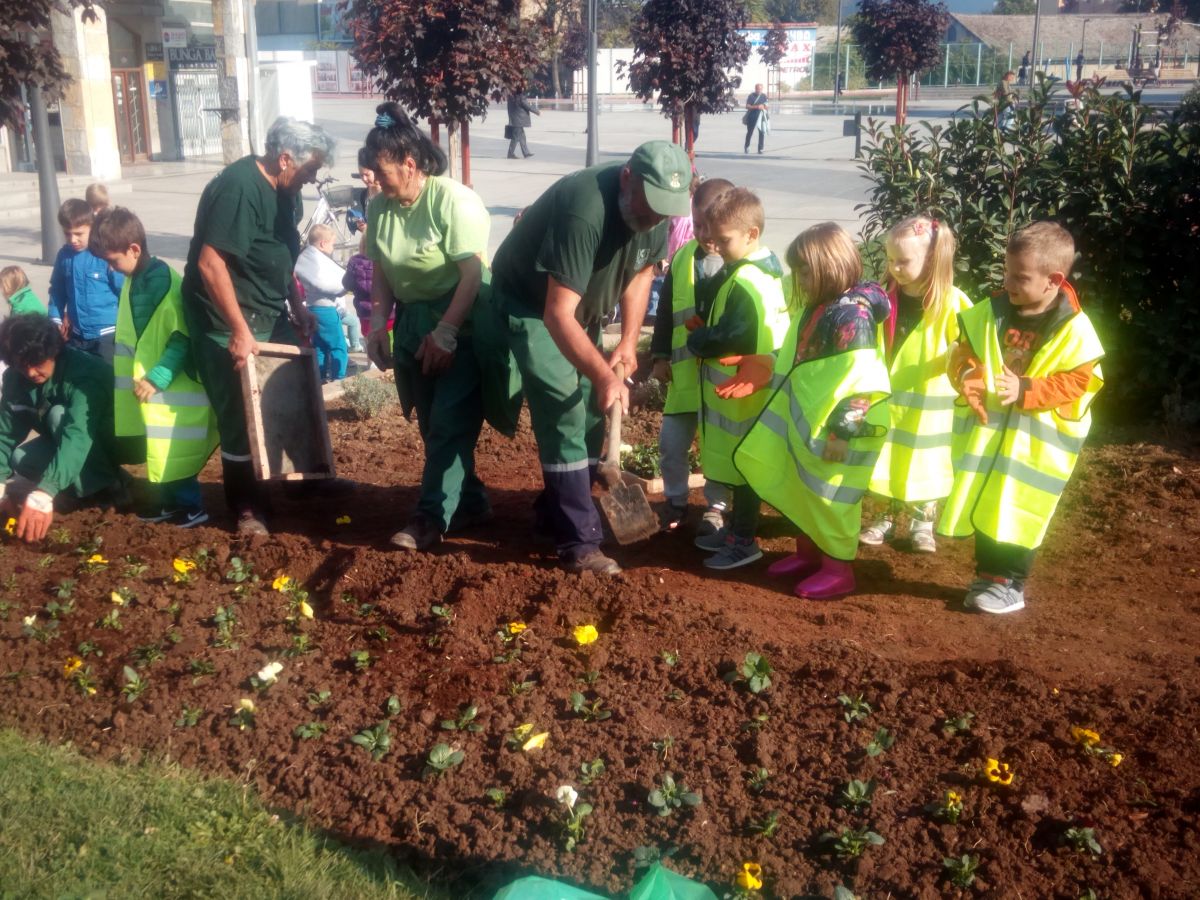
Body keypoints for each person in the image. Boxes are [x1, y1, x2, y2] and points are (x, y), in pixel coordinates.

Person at [490, 140, 693, 575]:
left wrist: (627, 342)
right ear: (627, 178)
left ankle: (556, 510)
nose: (655, 217)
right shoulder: (585, 210)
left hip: (580, 308)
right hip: (532, 305)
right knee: (564, 402)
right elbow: (557, 313)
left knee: (592, 413)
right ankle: (579, 542)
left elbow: (641, 273)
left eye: (665, 210)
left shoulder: (655, 209)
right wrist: (604, 376)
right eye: (650, 204)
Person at [181, 115, 335, 536]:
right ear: (285, 159)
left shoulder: (286, 191)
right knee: (239, 413)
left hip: (268, 309)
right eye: (309, 169)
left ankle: (304, 482)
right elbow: (211, 264)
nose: (312, 177)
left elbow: (280, 252)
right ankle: (248, 504)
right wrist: (239, 330)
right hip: (223, 316)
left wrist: (297, 304)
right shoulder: (238, 189)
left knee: (289, 391)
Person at [939, 222, 1103, 615]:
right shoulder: (990, 313)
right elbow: (962, 354)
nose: (1008, 283)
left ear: (1054, 280)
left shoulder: (1074, 329)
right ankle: (988, 576)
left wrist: (1027, 391)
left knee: (1019, 509)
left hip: (1034, 446)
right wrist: (968, 377)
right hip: (991, 435)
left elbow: (1080, 381)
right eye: (1007, 272)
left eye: (1020, 277)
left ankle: (1010, 583)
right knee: (988, 504)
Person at [727, 223, 891, 600]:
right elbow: (799, 356)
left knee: (831, 497)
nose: (797, 278)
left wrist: (842, 432)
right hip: (814, 424)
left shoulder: (853, 318)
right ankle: (809, 554)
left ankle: (838, 569)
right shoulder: (821, 308)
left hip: (841, 429)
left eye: (803, 270)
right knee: (804, 490)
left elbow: (861, 381)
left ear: (828, 267)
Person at [362, 103, 496, 551]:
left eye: (381, 172)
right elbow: (380, 266)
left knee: (449, 421)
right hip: (415, 318)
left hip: (463, 319)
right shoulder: (380, 206)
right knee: (430, 424)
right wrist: (379, 323)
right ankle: (472, 501)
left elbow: (472, 275)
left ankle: (430, 517)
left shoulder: (452, 200)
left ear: (410, 165)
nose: (375, 180)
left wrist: (446, 332)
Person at [91, 206, 218, 528]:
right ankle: (169, 503)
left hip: (172, 389)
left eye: (112, 260)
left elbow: (180, 336)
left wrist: (158, 376)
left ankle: (191, 507)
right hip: (154, 391)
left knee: (176, 452)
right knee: (162, 452)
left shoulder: (164, 281)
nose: (111, 268)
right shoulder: (137, 281)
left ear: (134, 249)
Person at [687, 188, 789, 570]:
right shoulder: (762, 273)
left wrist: (700, 337)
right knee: (743, 468)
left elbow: (735, 335)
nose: (717, 247)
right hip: (751, 390)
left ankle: (743, 541)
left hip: (744, 395)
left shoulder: (746, 279)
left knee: (745, 472)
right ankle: (735, 535)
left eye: (725, 240)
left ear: (752, 234)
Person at [861, 216, 972, 555]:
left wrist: (968, 375)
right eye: (890, 259)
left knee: (927, 463)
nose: (894, 267)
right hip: (886, 397)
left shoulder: (955, 303)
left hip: (929, 407)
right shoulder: (879, 299)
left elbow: (969, 350)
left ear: (932, 259)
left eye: (903, 261)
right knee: (883, 460)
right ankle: (883, 517)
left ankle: (923, 524)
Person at [650, 177, 734, 536]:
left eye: (710, 226)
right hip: (685, 380)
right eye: (697, 224)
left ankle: (717, 507)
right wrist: (660, 356)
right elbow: (667, 310)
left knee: (718, 449)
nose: (703, 233)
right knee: (671, 446)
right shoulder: (684, 257)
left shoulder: (741, 264)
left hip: (721, 383)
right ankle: (675, 500)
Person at [0, 314, 123, 542]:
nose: (30, 373)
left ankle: (109, 489)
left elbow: (78, 434)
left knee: (59, 416)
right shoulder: (15, 381)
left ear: (53, 351)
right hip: (70, 440)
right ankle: (78, 489)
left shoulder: (85, 373)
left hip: (114, 440)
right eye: (21, 366)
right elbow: (4, 434)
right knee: (20, 457)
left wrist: (45, 491)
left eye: (37, 363)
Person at [48, 198, 124, 364]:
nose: (73, 239)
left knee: (107, 378)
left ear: (92, 226)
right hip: (77, 334)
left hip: (108, 333)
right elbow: (57, 290)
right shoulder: (64, 255)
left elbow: (124, 291)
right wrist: (55, 318)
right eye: (67, 233)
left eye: (79, 234)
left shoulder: (104, 254)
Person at [295, 224, 351, 382]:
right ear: (322, 243)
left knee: (320, 347)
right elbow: (322, 283)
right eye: (332, 243)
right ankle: (339, 379)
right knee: (338, 346)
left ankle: (318, 379)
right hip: (326, 310)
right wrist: (345, 286)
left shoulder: (307, 258)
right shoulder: (313, 260)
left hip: (313, 308)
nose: (333, 247)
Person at [506, 90, 540, 159]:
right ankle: (510, 153)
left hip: (515, 118)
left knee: (522, 136)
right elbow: (527, 106)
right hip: (519, 120)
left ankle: (526, 152)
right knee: (515, 137)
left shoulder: (511, 97)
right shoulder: (520, 97)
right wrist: (536, 111)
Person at [744, 84, 769, 155]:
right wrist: (757, 107)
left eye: (760, 89)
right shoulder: (751, 96)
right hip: (752, 116)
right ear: (755, 89)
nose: (759, 90)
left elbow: (767, 106)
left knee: (762, 132)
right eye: (758, 89)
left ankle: (760, 148)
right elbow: (747, 106)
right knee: (750, 132)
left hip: (761, 117)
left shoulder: (764, 96)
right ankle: (747, 146)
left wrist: (764, 106)